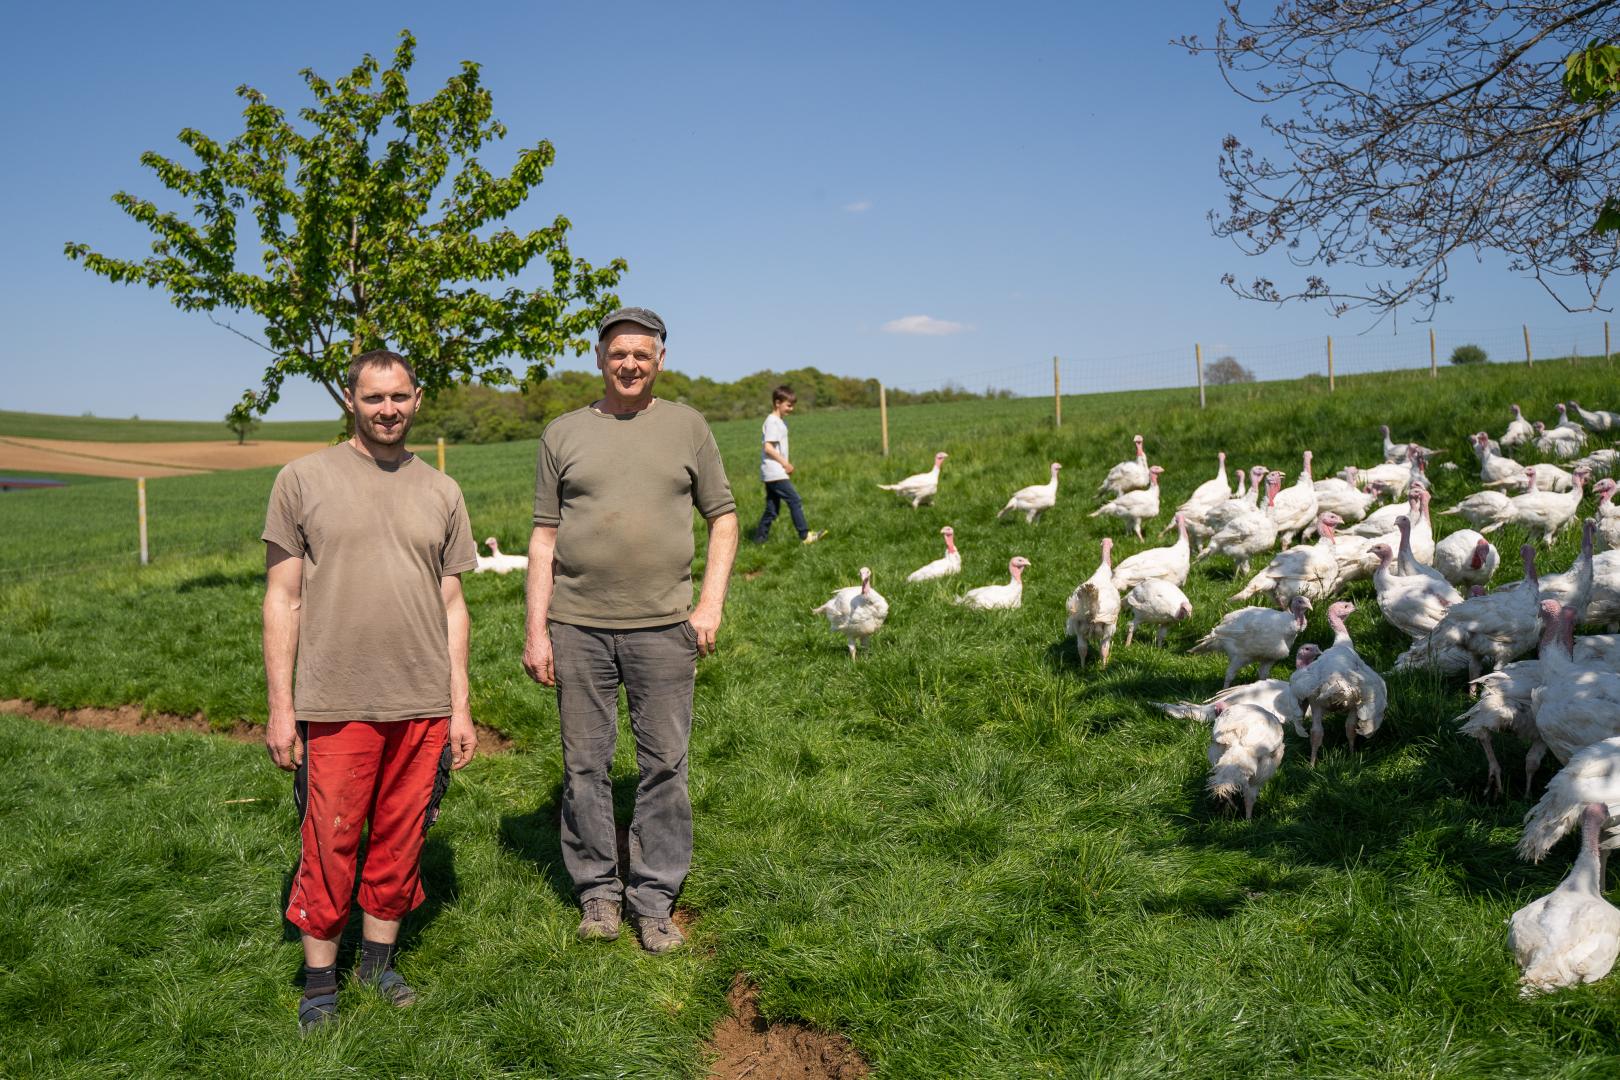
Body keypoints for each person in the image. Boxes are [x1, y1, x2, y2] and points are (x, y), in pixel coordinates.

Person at [261, 349, 480, 1033]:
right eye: (374, 397)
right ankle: (319, 982)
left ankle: (378, 964)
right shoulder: (302, 479)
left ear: (417, 399)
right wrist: (280, 707)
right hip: (336, 701)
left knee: (401, 836)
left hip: (423, 702)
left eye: (401, 397)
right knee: (329, 843)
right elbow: (282, 598)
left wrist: (462, 702)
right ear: (350, 401)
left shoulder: (441, 491)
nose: (389, 409)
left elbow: (453, 604)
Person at [521, 306, 739, 954]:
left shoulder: (688, 427)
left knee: (664, 766)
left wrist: (710, 606)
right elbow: (542, 537)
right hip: (578, 626)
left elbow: (723, 519)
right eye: (619, 353)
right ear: (598, 357)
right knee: (585, 765)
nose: (631, 363)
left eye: (643, 354)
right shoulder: (562, 434)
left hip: (665, 627)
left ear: (660, 361)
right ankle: (596, 895)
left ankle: (653, 900)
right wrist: (537, 632)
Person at [752, 384, 826, 545]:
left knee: (772, 510)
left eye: (793, 405)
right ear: (777, 403)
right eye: (789, 405)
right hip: (774, 471)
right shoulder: (772, 422)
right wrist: (786, 464)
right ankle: (805, 536)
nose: (791, 409)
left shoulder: (778, 421)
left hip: (772, 471)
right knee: (795, 500)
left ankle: (759, 540)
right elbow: (768, 447)